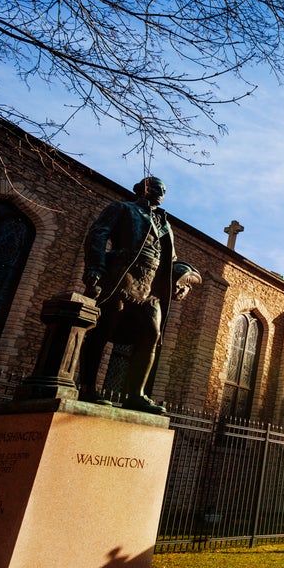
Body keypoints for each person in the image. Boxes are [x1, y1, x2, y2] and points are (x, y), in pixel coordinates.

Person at [78, 177, 197, 414]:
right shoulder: (122, 208)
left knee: (151, 334)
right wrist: (96, 266)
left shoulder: (164, 222)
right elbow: (98, 235)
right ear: (143, 189)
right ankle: (88, 387)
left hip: (149, 285)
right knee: (103, 329)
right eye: (156, 189)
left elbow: (168, 259)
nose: (161, 193)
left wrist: (181, 278)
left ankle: (136, 394)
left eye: (163, 190)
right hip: (123, 275)